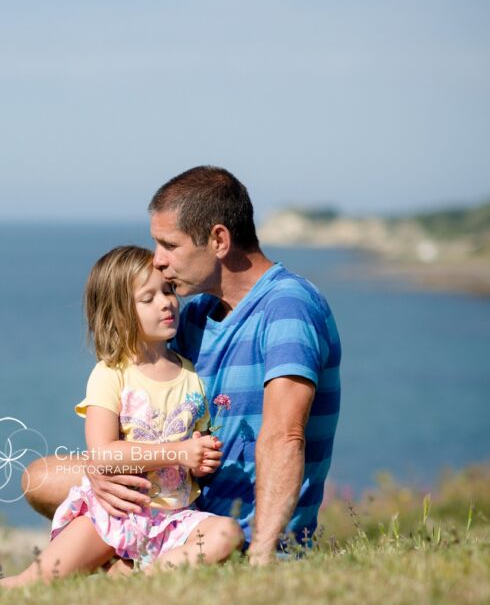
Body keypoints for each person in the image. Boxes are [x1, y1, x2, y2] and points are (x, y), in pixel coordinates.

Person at [22, 166, 341, 566]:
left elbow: (285, 436)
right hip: (176, 503)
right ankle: (129, 560)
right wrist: (103, 472)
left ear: (218, 240)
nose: (158, 261)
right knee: (39, 477)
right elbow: (143, 396)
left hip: (230, 532)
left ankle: (129, 570)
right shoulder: (196, 317)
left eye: (168, 245)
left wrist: (263, 558)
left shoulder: (288, 308)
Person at [0, 246, 243, 590]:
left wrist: (200, 459)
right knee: (32, 582)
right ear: (119, 314)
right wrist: (179, 452)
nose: (166, 303)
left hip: (175, 519)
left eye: (167, 291)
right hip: (112, 515)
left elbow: (190, 456)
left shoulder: (192, 376)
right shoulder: (111, 374)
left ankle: (146, 581)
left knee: (228, 533)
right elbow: (103, 453)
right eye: (147, 298)